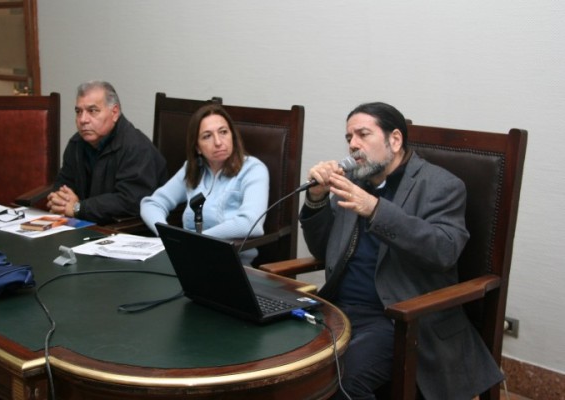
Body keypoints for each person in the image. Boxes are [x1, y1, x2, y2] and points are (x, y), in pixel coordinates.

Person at [300, 102, 502, 400]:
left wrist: (375, 210)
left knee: (338, 383)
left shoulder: (441, 185)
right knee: (282, 362)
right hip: (339, 309)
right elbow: (323, 250)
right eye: (348, 137)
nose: (353, 144)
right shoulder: (353, 181)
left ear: (394, 140)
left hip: (398, 318)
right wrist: (316, 199)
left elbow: (443, 250)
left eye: (363, 134)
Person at [140, 104, 269, 265]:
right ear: (197, 147)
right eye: (207, 136)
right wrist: (167, 235)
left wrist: (195, 240)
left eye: (223, 132)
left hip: (232, 264)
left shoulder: (253, 169)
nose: (218, 142)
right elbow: (151, 204)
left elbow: (251, 224)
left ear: (232, 137)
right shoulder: (193, 169)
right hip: (187, 258)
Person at [47, 81, 167, 225]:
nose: (83, 120)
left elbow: (130, 201)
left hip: (125, 231)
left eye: (92, 110)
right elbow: (63, 184)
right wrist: (60, 201)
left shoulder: (136, 147)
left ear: (114, 112)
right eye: (78, 111)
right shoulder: (76, 143)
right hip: (84, 224)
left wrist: (79, 208)